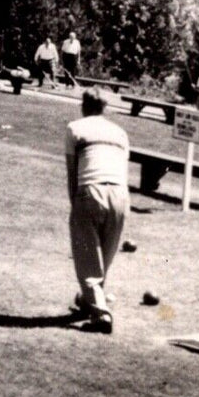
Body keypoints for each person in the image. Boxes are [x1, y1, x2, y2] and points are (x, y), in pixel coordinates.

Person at [64, 88, 130, 334]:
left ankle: (101, 312)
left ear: (84, 105)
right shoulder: (120, 133)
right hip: (121, 195)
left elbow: (73, 172)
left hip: (90, 190)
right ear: (105, 108)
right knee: (105, 252)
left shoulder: (75, 128)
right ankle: (89, 298)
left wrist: (76, 204)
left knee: (86, 252)